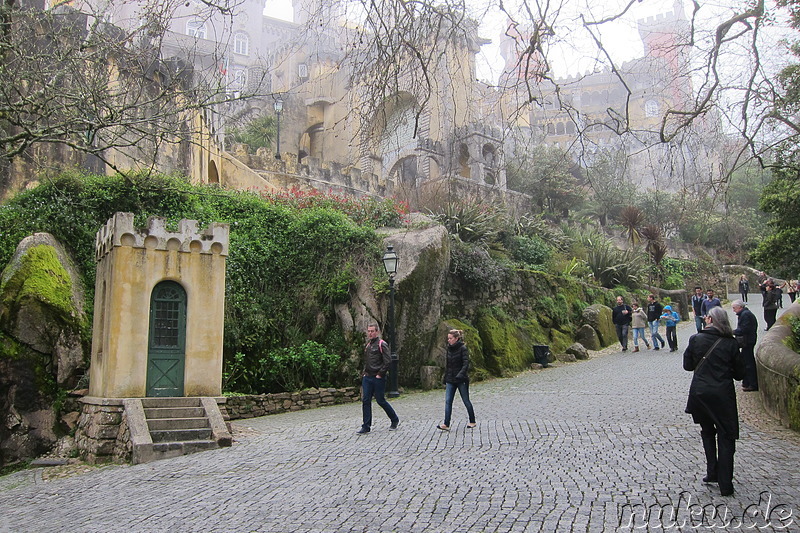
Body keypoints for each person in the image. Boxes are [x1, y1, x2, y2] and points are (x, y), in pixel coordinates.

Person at [683, 306, 745, 497]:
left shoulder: (696, 339)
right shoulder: (731, 344)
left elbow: (687, 366)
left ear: (710, 320)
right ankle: (725, 483)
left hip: (700, 393)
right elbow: (740, 374)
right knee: (726, 436)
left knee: (707, 432)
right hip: (722, 394)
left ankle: (712, 472)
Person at [357, 324, 399, 434]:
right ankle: (366, 426)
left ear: (377, 332)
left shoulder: (382, 344)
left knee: (380, 400)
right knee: (366, 400)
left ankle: (394, 419)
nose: (370, 333)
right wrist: (365, 373)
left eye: (372, 331)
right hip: (368, 376)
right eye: (369, 331)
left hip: (378, 377)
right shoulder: (368, 346)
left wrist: (380, 374)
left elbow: (388, 361)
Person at [437, 329, 476, 431]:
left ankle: (472, 421)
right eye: (448, 338)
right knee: (448, 401)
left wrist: (460, 375)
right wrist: (445, 377)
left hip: (461, 379)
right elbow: (448, 365)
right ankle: (446, 423)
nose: (448, 340)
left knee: (466, 400)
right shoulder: (449, 349)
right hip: (450, 378)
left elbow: (466, 364)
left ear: (456, 338)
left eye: (450, 338)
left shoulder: (463, 348)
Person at [732, 300, 758, 392]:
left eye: (734, 308)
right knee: (745, 361)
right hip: (747, 341)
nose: (733, 310)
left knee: (748, 363)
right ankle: (747, 382)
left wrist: (732, 332)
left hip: (748, 341)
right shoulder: (745, 314)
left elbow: (744, 329)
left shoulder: (745, 315)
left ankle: (752, 383)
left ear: (740, 307)